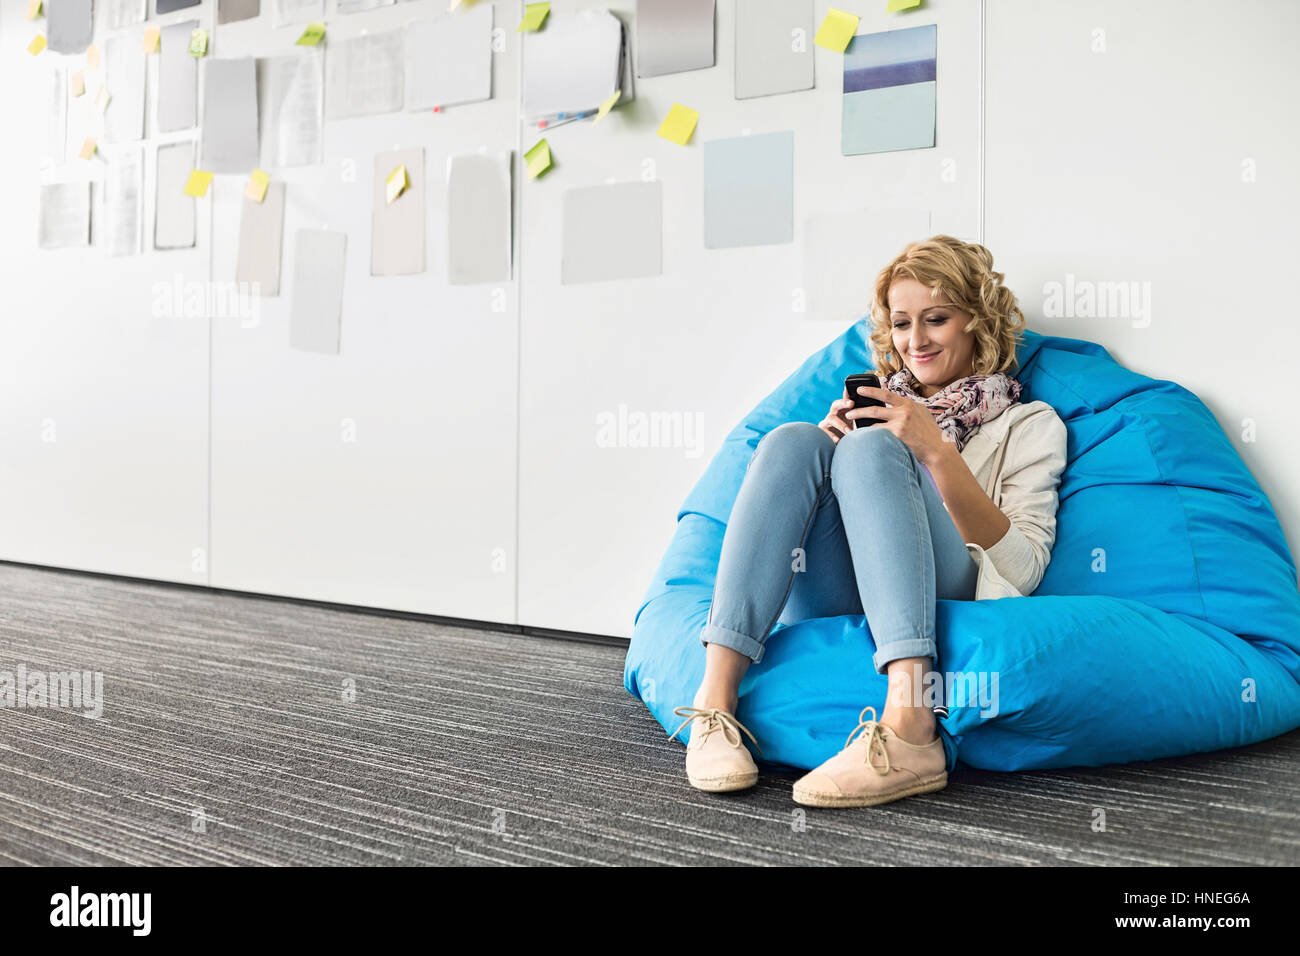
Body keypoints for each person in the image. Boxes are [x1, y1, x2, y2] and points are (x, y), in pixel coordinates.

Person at [669, 235, 1069, 808]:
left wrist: (935, 452)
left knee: (872, 451)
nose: (916, 341)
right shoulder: (882, 404)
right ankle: (713, 707)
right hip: (842, 586)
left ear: (976, 323)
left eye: (937, 319)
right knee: (794, 441)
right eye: (902, 323)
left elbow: (1024, 568)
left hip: (947, 588)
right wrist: (828, 459)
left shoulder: (1029, 424)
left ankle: (910, 726)